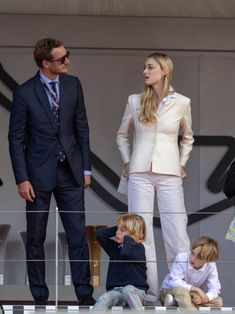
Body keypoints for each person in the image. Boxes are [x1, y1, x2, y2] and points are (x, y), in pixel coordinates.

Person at [8, 38, 95, 305]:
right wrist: (22, 178)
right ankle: (40, 297)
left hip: (71, 171)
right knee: (36, 236)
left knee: (78, 234)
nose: (67, 61)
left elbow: (82, 127)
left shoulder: (73, 84)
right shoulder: (24, 92)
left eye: (67, 56)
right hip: (37, 175)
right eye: (61, 59)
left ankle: (85, 295)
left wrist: (85, 167)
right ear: (46, 63)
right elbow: (16, 138)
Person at [116, 52, 194, 301]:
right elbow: (122, 135)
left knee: (177, 232)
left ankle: (178, 287)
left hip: (170, 173)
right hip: (139, 172)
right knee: (141, 233)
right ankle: (148, 291)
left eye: (150, 67)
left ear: (164, 71)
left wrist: (181, 163)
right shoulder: (134, 100)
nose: (145, 71)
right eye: (144, 67)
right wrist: (127, 161)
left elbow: (188, 137)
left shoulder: (182, 101)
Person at [92, 213, 149, 311]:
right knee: (104, 298)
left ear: (133, 234)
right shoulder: (115, 249)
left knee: (128, 290)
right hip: (117, 292)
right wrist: (122, 227)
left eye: (122, 230)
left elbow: (126, 252)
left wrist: (129, 236)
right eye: (117, 229)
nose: (117, 233)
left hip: (136, 292)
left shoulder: (139, 248)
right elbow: (99, 234)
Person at [160, 236, 223, 309]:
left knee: (218, 302)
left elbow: (215, 287)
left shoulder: (211, 265)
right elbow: (174, 282)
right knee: (182, 293)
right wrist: (197, 290)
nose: (192, 258)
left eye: (199, 257)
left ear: (207, 260)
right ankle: (179, 301)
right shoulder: (181, 257)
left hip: (191, 293)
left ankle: (177, 303)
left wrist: (205, 298)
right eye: (192, 253)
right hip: (170, 290)